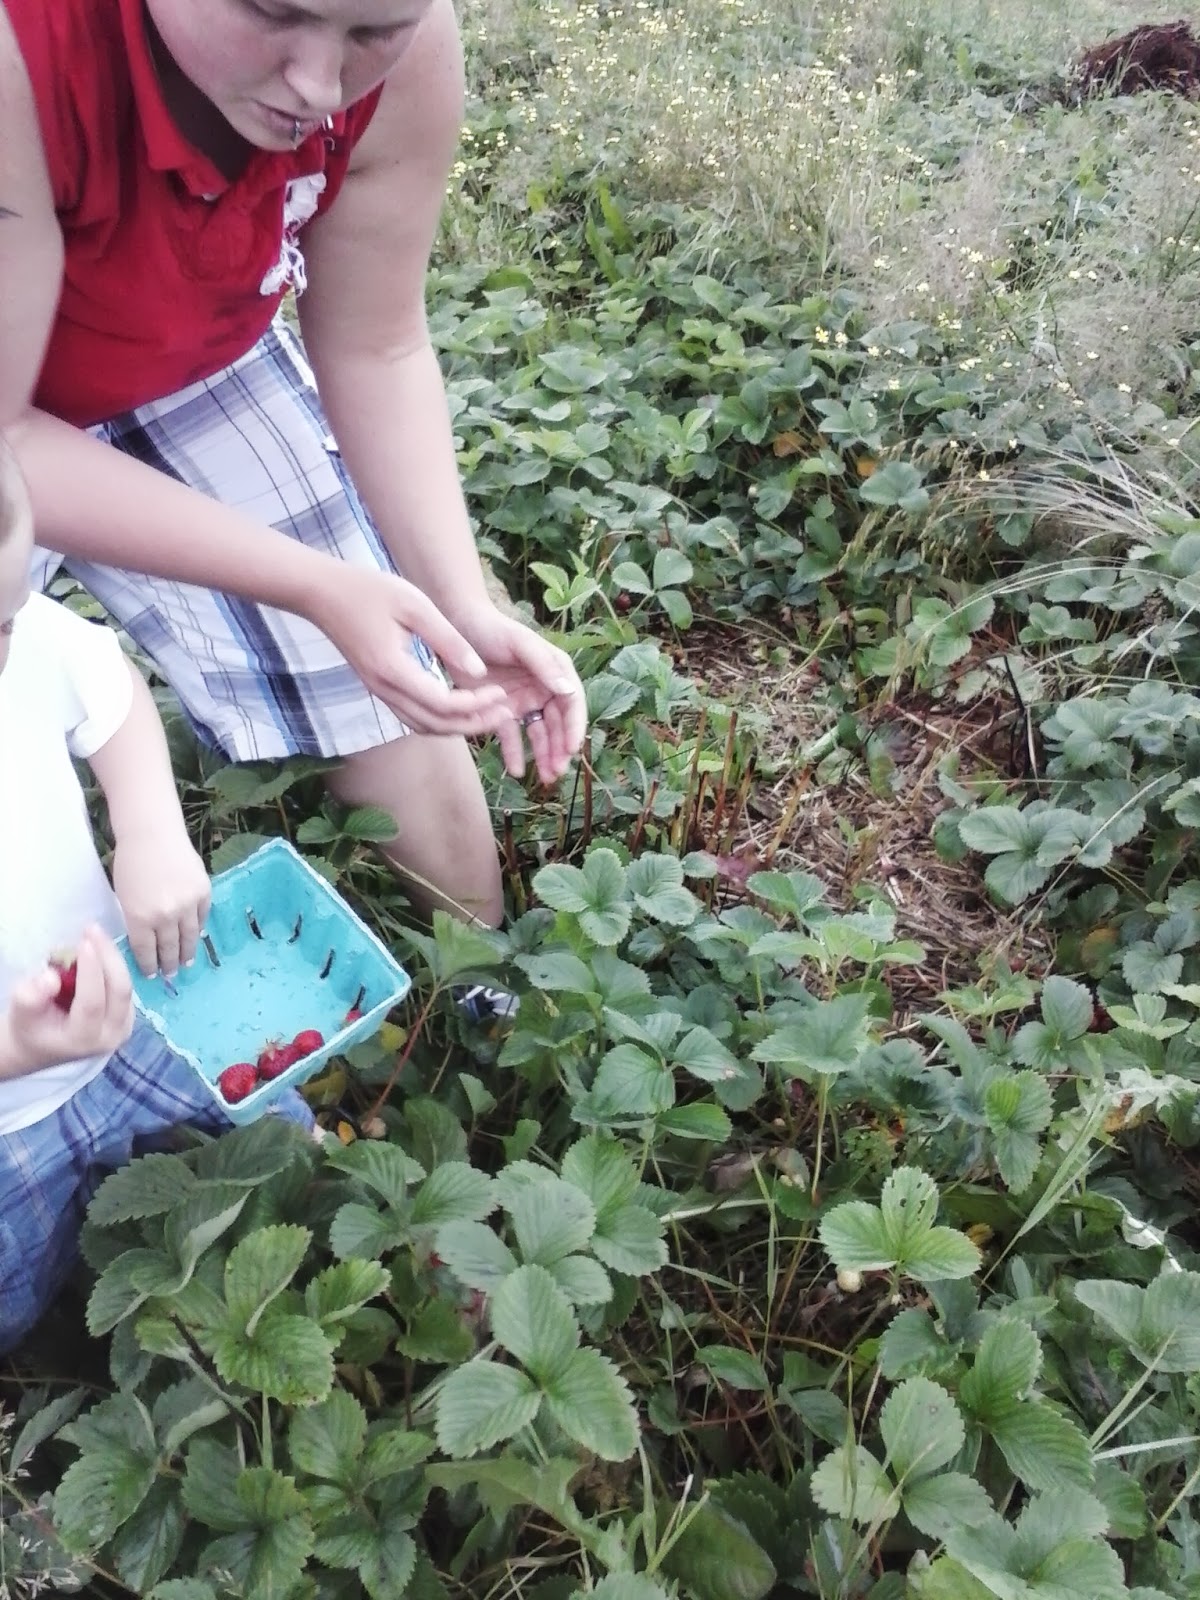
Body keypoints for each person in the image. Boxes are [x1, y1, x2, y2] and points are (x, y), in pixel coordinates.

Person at [0, 0, 587, 937]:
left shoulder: (410, 54)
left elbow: (377, 343)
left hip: (185, 359)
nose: (319, 82)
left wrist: (460, 602)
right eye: (275, 10)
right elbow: (10, 439)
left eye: (369, 34)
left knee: (389, 693)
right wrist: (316, 583)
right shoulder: (21, 55)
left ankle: (480, 984)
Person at [0, 443, 313, 1357]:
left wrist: (149, 830)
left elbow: (107, 687)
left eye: (4, 623)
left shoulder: (32, 644)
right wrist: (16, 1050)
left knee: (282, 1147)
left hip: (135, 1007)